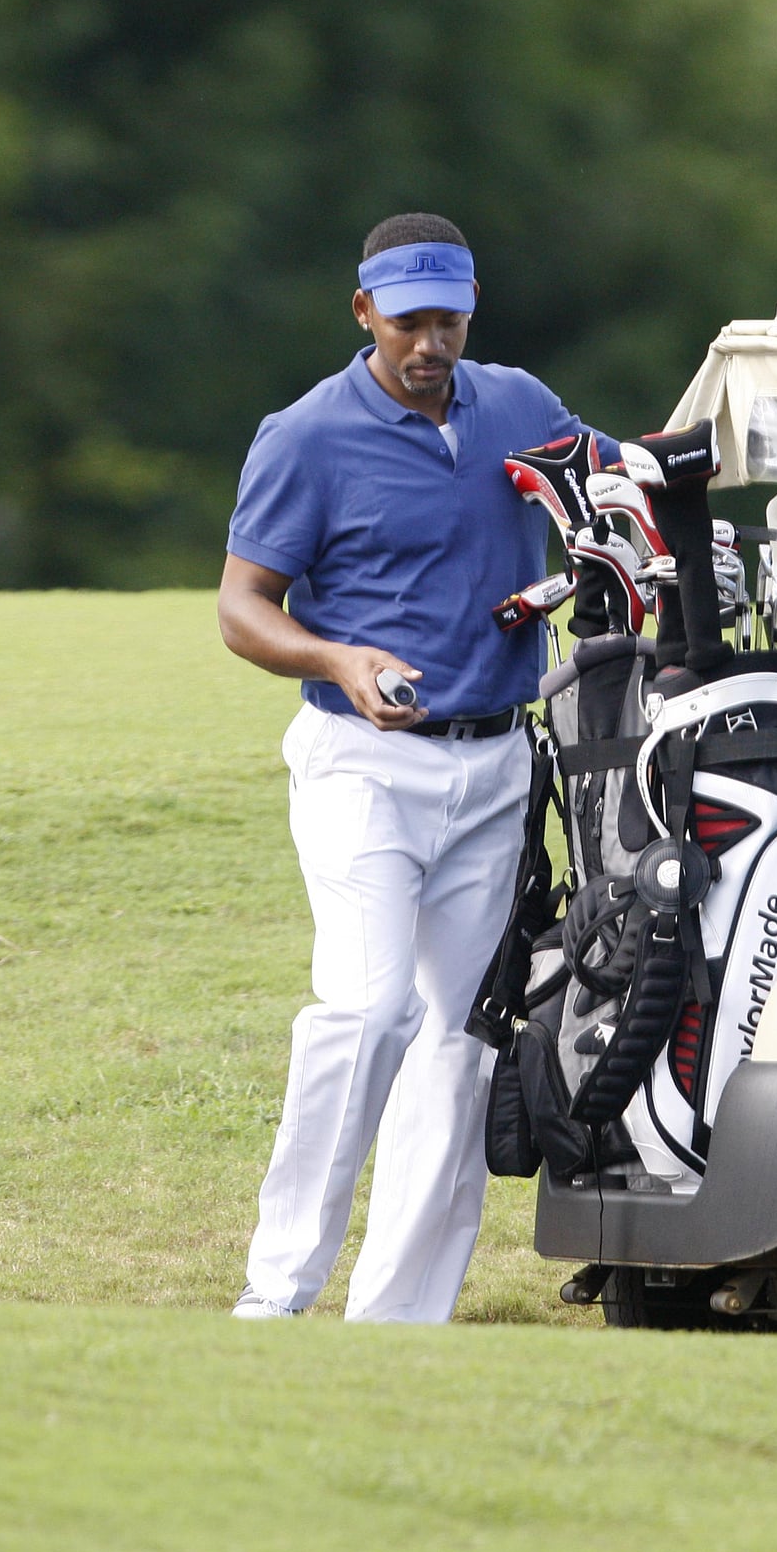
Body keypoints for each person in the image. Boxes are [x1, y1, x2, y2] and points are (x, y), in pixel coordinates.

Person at [219, 213, 616, 1322]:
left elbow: (622, 482)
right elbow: (242, 607)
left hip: (491, 769)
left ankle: (397, 1324)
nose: (429, 344)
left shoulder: (521, 407)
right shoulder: (304, 436)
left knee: (458, 1041)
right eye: (408, 324)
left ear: (470, 313)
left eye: (448, 321)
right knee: (368, 1009)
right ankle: (276, 1292)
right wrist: (337, 657)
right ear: (364, 314)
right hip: (361, 766)